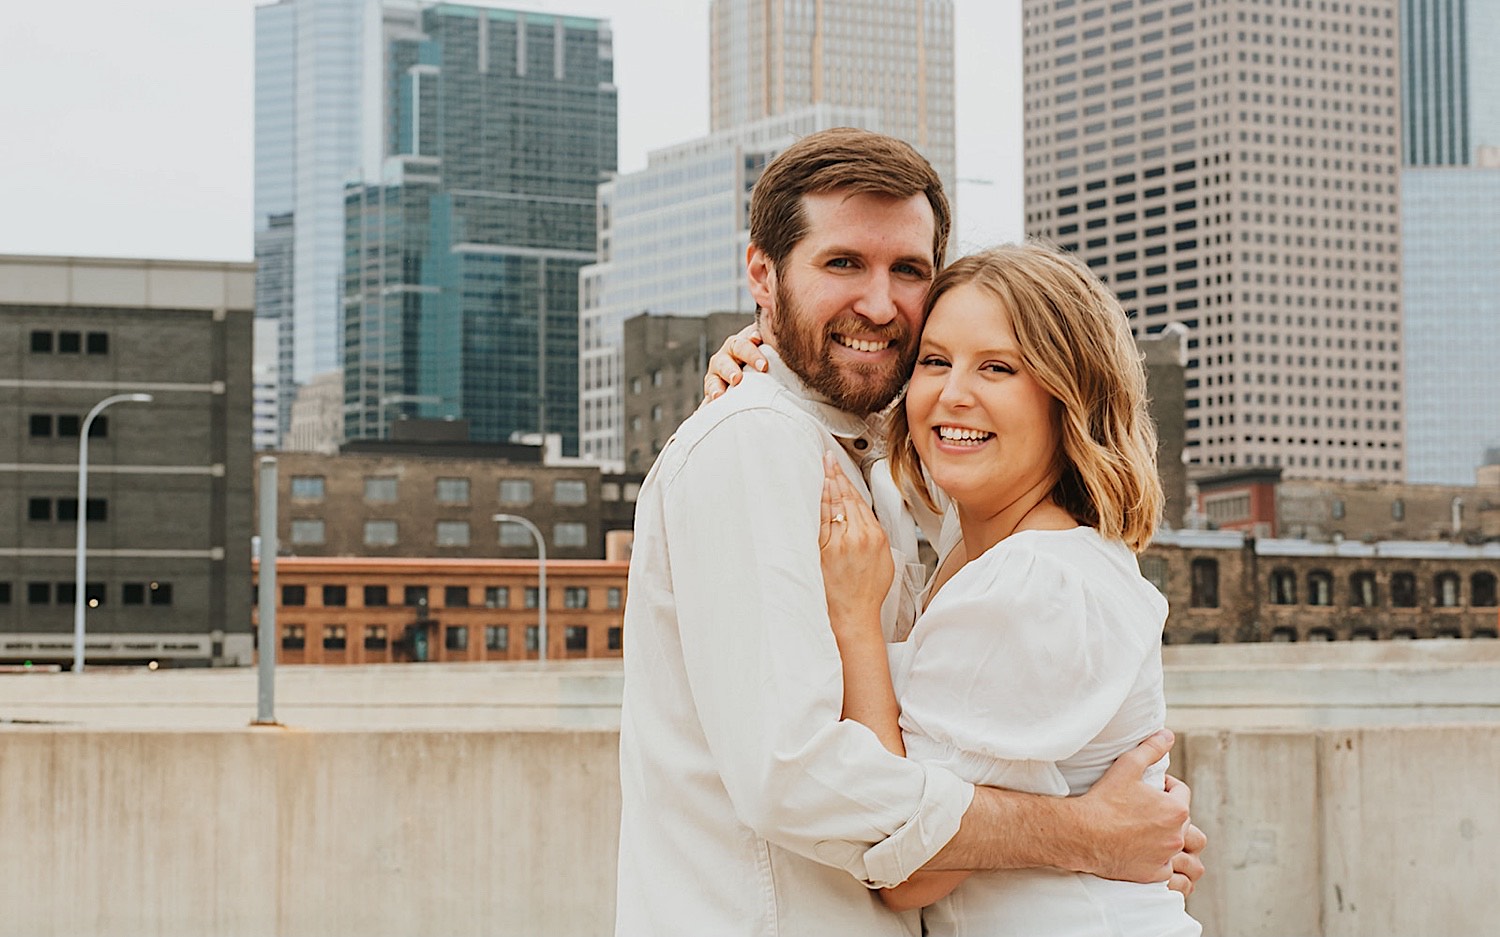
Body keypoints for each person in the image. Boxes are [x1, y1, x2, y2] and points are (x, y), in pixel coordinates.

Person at [616, 128, 1201, 937]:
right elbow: (795, 774)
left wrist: (1108, 819)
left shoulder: (891, 466)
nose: (881, 304)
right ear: (762, 272)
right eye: (842, 263)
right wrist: (1089, 832)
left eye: (909, 271)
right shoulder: (755, 442)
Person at [816, 243, 1200, 935]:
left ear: (1069, 395)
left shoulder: (1033, 583)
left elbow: (910, 867)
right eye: (935, 361)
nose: (953, 392)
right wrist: (754, 363)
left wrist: (855, 623)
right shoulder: (985, 538)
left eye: (997, 367)